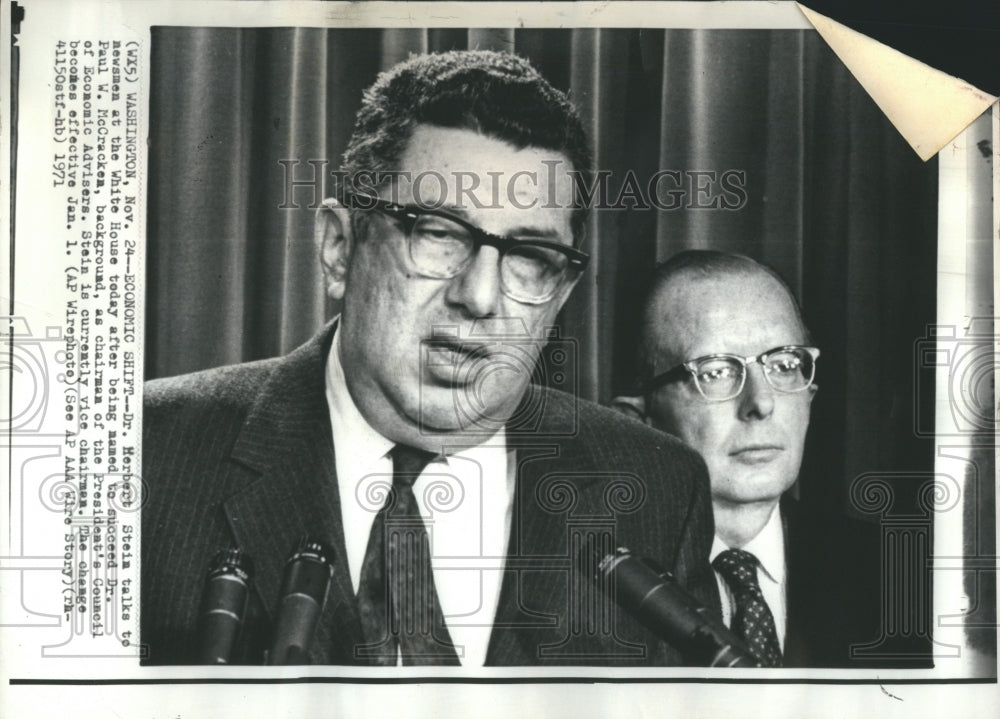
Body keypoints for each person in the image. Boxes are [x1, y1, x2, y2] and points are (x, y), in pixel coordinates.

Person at [141, 50, 718, 666]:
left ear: (562, 294)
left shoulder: (660, 489)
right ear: (339, 248)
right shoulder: (144, 453)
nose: (478, 297)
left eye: (529, 258)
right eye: (439, 233)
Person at [616, 250, 930, 668]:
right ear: (637, 421)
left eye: (784, 364)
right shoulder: (594, 592)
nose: (762, 402)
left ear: (809, 397)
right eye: (715, 371)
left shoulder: (904, 579)